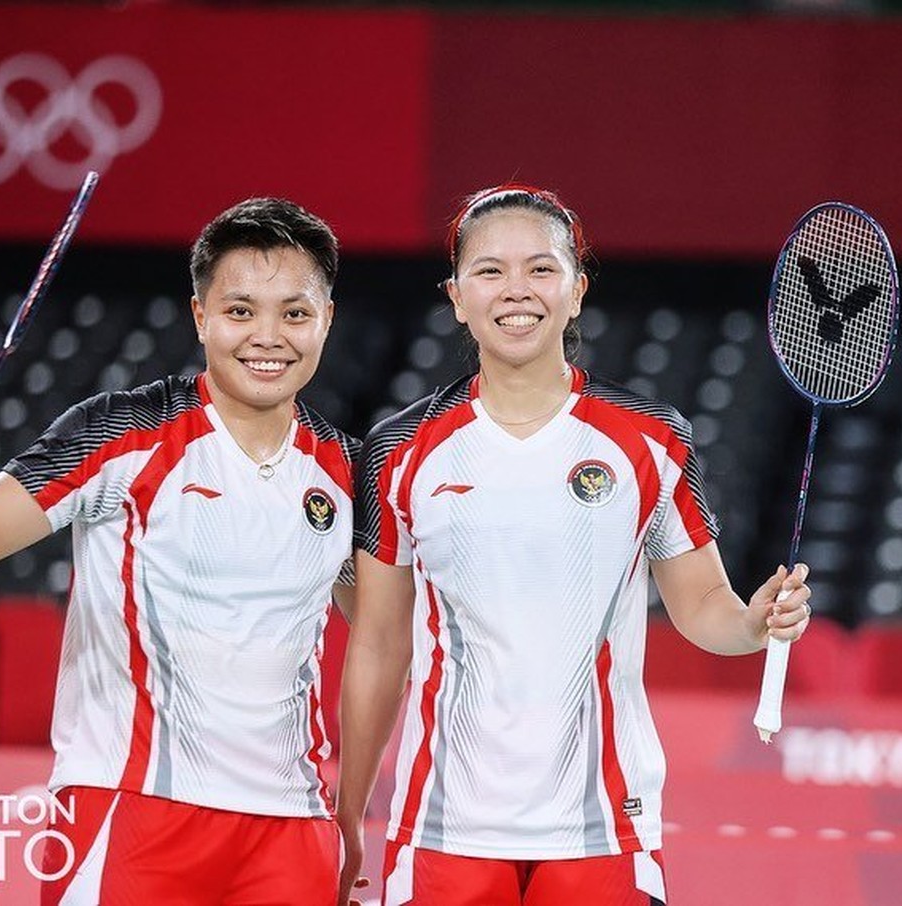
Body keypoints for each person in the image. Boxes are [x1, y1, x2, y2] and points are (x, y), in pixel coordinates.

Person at [335, 184, 812, 906]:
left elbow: (703, 605)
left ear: (578, 290)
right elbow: (378, 644)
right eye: (490, 271)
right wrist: (349, 813)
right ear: (457, 297)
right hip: (444, 822)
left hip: (603, 824)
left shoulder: (650, 438)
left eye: (541, 268)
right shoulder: (400, 450)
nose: (516, 290)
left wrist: (754, 622)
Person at [0, 198, 358, 906]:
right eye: (240, 311)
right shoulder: (120, 430)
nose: (268, 337)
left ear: (326, 318)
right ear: (200, 316)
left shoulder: (347, 472)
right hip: (129, 808)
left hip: (293, 828)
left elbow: (393, 628)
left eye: (295, 313)